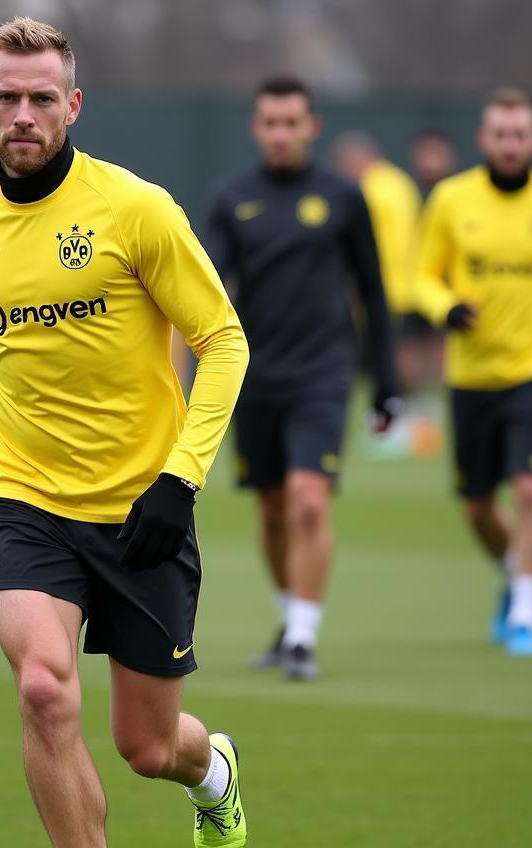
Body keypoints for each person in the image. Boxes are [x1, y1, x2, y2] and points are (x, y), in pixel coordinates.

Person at [0, 17, 249, 848]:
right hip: (21, 501)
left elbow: (222, 340)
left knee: (148, 746)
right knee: (44, 689)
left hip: (144, 508)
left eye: (40, 98)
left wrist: (181, 478)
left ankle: (212, 771)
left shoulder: (136, 210)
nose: (22, 114)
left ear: (72, 105)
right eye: (5, 97)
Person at [202, 77, 398, 681]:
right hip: (253, 377)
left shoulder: (344, 195)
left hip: (324, 373)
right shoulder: (229, 198)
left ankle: (304, 640)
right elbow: (203, 295)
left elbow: (374, 290)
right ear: (256, 128)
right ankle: (290, 620)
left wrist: (385, 381)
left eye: (293, 122)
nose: (282, 133)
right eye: (270, 122)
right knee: (271, 511)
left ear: (312, 126)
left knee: (309, 502)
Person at [413, 87, 532, 656]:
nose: (510, 144)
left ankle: (527, 614)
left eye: (520, 134)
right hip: (471, 373)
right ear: (484, 139)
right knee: (476, 505)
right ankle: (512, 572)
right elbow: (421, 275)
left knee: (531, 486)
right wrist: (444, 306)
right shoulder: (451, 200)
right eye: (500, 134)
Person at [331, 131, 440, 459]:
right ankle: (414, 419)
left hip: (388, 288)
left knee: (394, 359)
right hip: (407, 285)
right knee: (402, 354)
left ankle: (399, 424)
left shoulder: (371, 190)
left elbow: (372, 245)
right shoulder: (400, 183)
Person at [410, 128, 458, 200]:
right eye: (425, 152)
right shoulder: (405, 193)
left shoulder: (461, 194)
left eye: (436, 151)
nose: (431, 160)